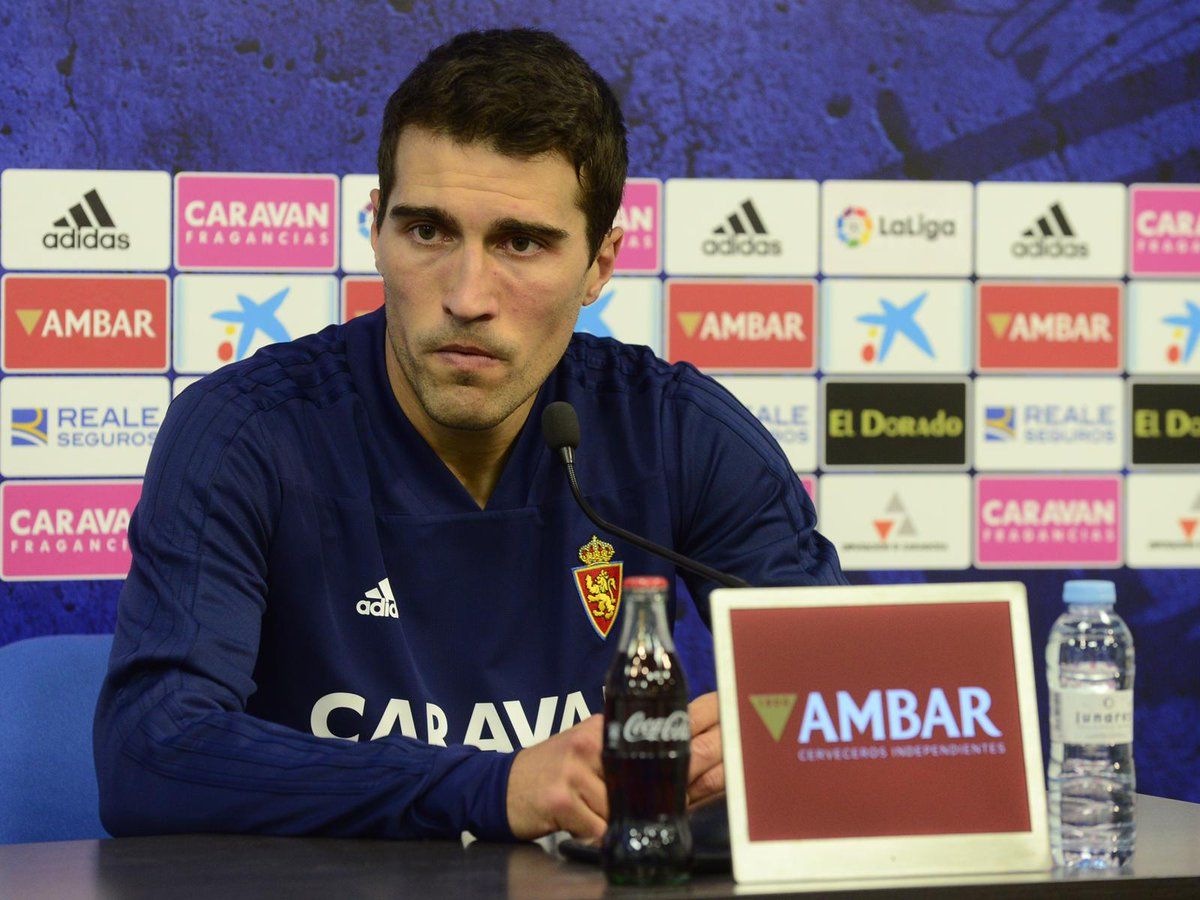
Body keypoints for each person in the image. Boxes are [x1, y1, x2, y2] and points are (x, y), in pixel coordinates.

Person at [93, 28, 846, 843]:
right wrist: (491, 788)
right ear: (376, 229)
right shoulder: (244, 433)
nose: (466, 295)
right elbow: (152, 755)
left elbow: (851, 696)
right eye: (428, 232)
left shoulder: (676, 431)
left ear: (600, 264)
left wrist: (774, 740)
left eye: (521, 243)